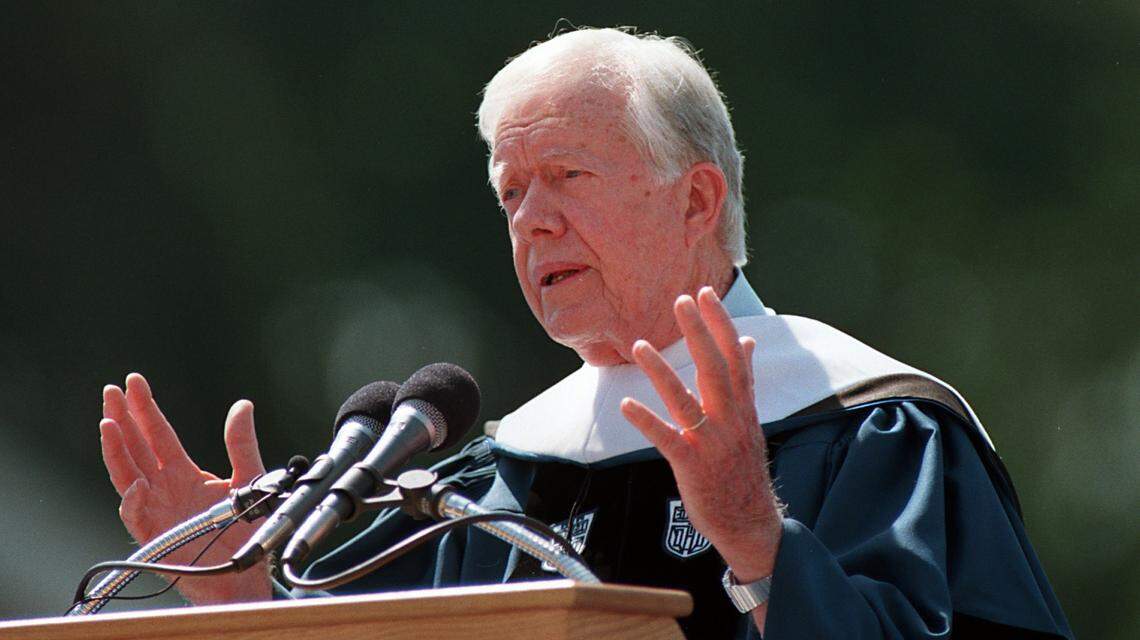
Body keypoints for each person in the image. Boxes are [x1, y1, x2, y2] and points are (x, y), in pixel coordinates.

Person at [99, 28, 1073, 638]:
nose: (531, 221)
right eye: (511, 193)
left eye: (568, 177)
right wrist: (246, 605)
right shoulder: (489, 479)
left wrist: (760, 541)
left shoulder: (871, 431)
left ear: (696, 198)